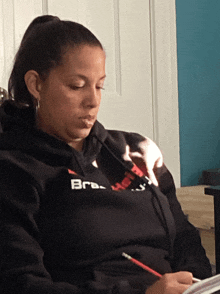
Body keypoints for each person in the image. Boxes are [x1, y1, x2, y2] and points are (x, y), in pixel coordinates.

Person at [0, 15, 212, 294]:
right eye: (77, 86)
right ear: (36, 85)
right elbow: (21, 284)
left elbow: (187, 246)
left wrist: (199, 286)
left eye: (100, 85)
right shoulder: (14, 167)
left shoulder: (139, 152)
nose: (93, 100)